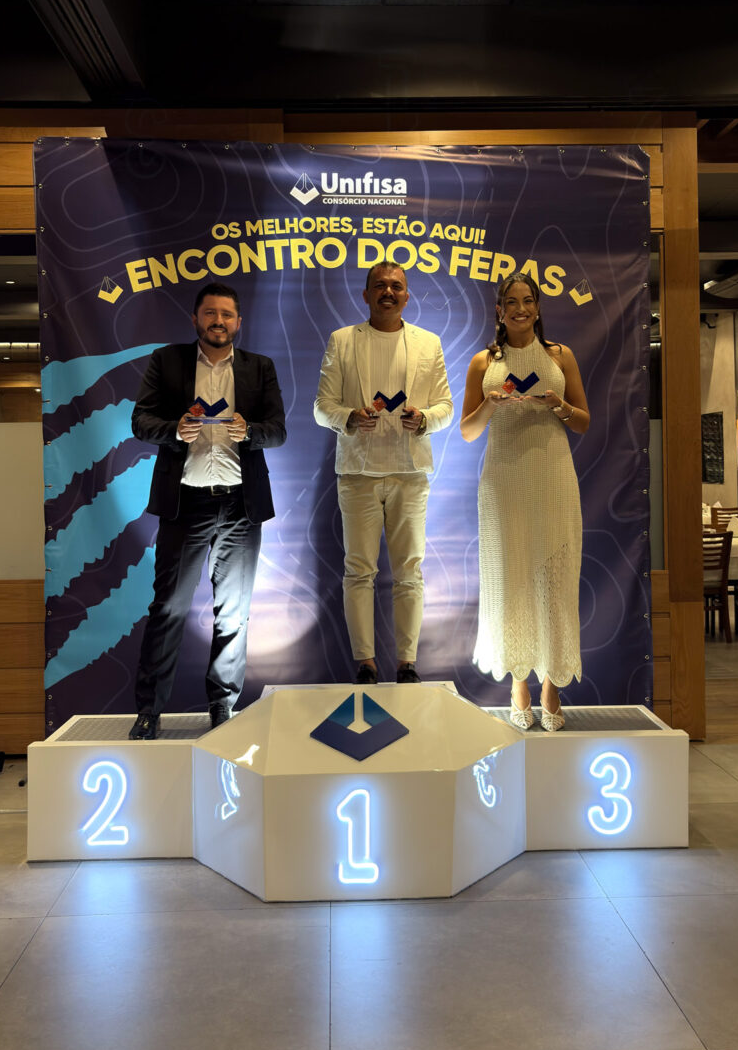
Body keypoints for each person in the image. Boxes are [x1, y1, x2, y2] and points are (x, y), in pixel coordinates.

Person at [129, 281, 286, 739]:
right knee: (168, 609)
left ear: (239, 322)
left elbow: (278, 430)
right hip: (186, 503)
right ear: (195, 318)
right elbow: (140, 421)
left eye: (226, 315)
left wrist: (249, 431)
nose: (219, 321)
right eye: (211, 313)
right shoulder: (168, 361)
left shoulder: (259, 367)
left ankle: (223, 707)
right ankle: (149, 711)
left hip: (241, 506)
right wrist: (173, 429)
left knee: (234, 614)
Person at [460, 271, 590, 732]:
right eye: (511, 302)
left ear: (538, 307)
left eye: (528, 300)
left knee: (555, 583)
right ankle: (519, 686)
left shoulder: (560, 356)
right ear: (499, 311)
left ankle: (552, 686)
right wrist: (491, 404)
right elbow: (468, 431)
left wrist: (559, 406)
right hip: (504, 482)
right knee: (511, 579)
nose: (521, 309)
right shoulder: (483, 362)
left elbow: (583, 421)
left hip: (553, 477)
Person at [314, 261, 453, 684]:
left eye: (396, 286)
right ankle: (366, 663)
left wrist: (424, 418)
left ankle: (407, 663)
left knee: (409, 572)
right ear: (366, 294)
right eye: (380, 286)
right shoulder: (342, 340)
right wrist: (350, 417)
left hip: (410, 473)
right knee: (359, 570)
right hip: (358, 474)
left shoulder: (429, 343)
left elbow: (446, 407)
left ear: (407, 296)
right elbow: (321, 407)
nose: (388, 292)